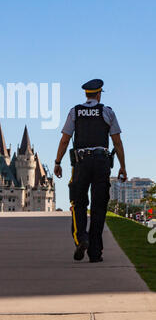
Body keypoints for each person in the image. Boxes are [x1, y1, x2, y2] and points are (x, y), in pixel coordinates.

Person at [54, 79, 127, 263]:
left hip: (81, 162)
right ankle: (95, 252)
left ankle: (82, 239)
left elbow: (65, 140)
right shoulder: (107, 112)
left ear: (86, 94)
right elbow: (117, 141)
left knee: (78, 203)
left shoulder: (75, 112)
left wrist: (57, 162)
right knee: (99, 206)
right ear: (99, 94)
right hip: (102, 162)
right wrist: (122, 167)